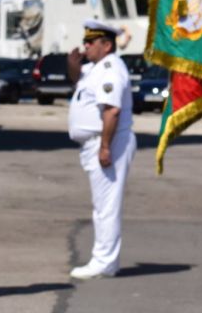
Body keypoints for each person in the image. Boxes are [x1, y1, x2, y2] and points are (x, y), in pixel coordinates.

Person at [67, 20, 136, 280]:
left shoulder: (110, 69)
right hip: (97, 141)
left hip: (108, 140)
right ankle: (104, 258)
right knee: (101, 204)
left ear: (106, 45)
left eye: (90, 42)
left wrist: (105, 146)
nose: (85, 46)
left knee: (106, 205)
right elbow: (79, 79)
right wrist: (72, 66)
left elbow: (112, 110)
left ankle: (104, 261)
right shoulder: (96, 68)